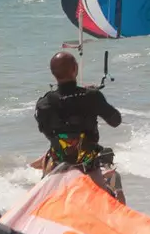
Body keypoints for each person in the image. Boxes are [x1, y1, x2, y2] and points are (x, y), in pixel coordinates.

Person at [33, 50, 124, 199]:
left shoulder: (44, 104)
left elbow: (47, 131)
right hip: (88, 165)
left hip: (59, 164)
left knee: (56, 146)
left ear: (53, 74)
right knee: (114, 188)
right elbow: (116, 121)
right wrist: (93, 96)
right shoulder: (92, 96)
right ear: (75, 69)